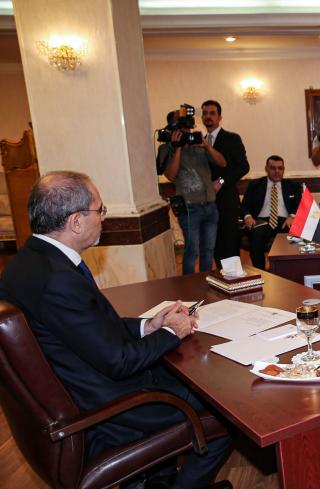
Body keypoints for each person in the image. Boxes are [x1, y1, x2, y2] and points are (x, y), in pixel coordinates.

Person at [0, 171, 232, 488]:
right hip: (111, 409)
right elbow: (118, 361)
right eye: (100, 210)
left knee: (188, 376)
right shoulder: (57, 279)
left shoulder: (26, 263)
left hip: (83, 388)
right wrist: (172, 332)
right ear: (76, 222)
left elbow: (90, 328)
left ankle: (156, 481)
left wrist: (148, 325)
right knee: (225, 410)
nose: (104, 218)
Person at [158, 110, 224, 275]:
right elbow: (171, 175)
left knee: (208, 250)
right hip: (189, 208)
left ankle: (205, 283)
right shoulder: (167, 148)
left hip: (210, 205)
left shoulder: (200, 146)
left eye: (188, 129)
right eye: (181, 130)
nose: (186, 133)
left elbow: (222, 163)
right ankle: (188, 289)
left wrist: (207, 146)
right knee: (192, 251)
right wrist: (178, 149)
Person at [202, 99, 250, 267]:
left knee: (229, 246)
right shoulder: (199, 141)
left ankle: (234, 284)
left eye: (212, 113)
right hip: (205, 203)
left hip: (227, 202)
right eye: (205, 113)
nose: (208, 117)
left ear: (220, 117)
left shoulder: (231, 138)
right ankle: (221, 282)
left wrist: (221, 181)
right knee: (213, 247)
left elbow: (243, 167)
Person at [240, 155, 302, 270]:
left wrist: (292, 216)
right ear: (266, 169)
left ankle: (287, 271)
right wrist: (247, 216)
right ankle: (261, 272)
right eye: (273, 168)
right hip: (261, 221)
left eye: (280, 168)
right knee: (257, 234)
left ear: (284, 169)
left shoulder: (293, 185)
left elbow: (299, 205)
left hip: (284, 221)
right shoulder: (255, 185)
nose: (277, 171)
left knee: (295, 233)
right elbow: (244, 206)